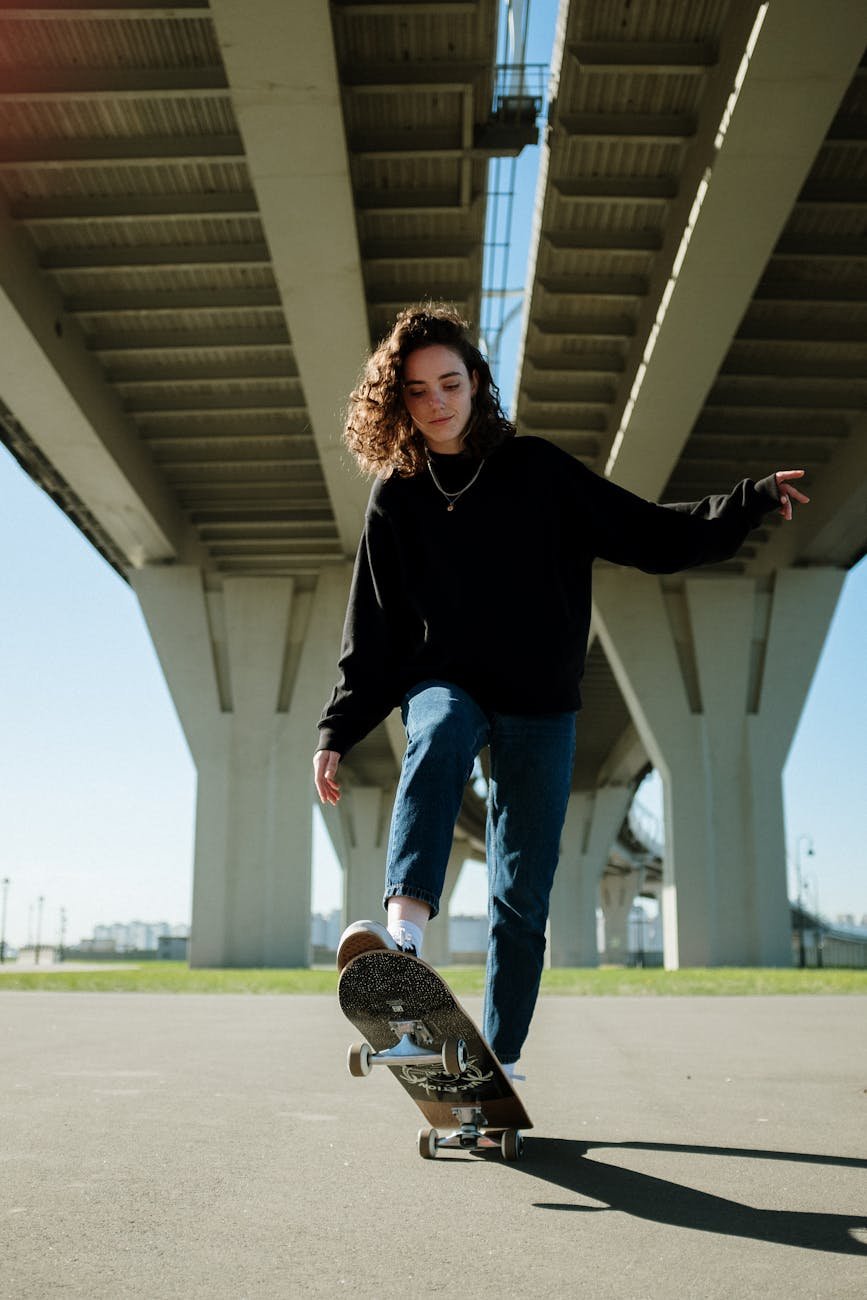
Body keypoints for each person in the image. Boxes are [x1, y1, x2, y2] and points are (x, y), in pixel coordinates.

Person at [313, 302, 809, 1078]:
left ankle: (499, 1063)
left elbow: (648, 534)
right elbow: (371, 629)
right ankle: (400, 942)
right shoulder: (397, 497)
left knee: (521, 893)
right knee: (436, 733)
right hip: (449, 681)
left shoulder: (537, 471)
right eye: (416, 390)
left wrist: (744, 501)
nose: (437, 402)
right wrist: (337, 729)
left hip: (540, 700)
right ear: (398, 402)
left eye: (449, 383)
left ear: (477, 384)